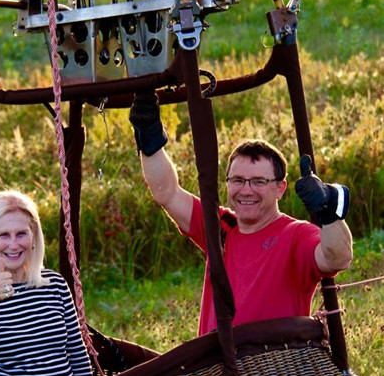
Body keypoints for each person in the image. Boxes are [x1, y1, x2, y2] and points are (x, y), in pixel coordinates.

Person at [129, 91, 353, 335]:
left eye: (258, 181)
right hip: (215, 366)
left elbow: (338, 257)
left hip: (273, 366)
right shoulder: (222, 228)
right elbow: (167, 193)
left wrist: (328, 212)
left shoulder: (295, 234)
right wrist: (149, 135)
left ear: (280, 188)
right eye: (237, 180)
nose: (246, 190)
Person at [0, 189, 94, 376]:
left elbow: (77, 354)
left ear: (33, 235)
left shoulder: (53, 284)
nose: (14, 244)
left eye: (21, 234)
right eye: (4, 235)